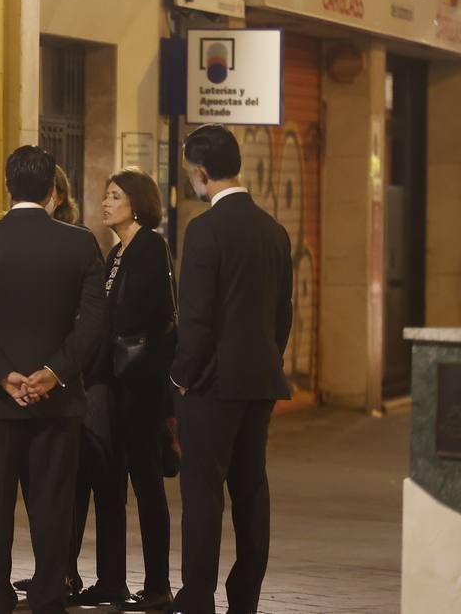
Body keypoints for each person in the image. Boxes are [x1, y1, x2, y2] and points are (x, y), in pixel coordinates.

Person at [0, 146, 108, 614]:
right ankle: (48, 593)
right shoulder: (80, 243)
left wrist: (2, 374)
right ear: (53, 190)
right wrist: (54, 373)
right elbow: (93, 322)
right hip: (58, 400)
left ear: (7, 186)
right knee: (53, 505)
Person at [171, 125, 292, 614]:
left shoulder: (204, 230)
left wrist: (181, 377)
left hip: (211, 384)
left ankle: (198, 596)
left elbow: (196, 319)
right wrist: (268, 356)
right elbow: (282, 314)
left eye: (190, 173)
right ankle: (245, 597)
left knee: (203, 493)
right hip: (259, 380)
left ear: (201, 173)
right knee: (251, 489)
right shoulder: (273, 230)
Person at [68, 168, 176, 611]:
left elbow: (148, 314)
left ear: (137, 202)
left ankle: (158, 586)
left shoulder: (150, 246)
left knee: (146, 484)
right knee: (108, 483)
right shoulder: (116, 252)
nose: (106, 203)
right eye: (106, 195)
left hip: (140, 385)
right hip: (110, 382)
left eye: (115, 195)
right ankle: (111, 580)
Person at [15, 164, 88, 598]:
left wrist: (53, 371)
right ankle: (51, 571)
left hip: (61, 380)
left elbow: (87, 318)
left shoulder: (77, 242)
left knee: (61, 487)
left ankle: (60, 572)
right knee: (36, 484)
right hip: (30, 380)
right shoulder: (13, 239)